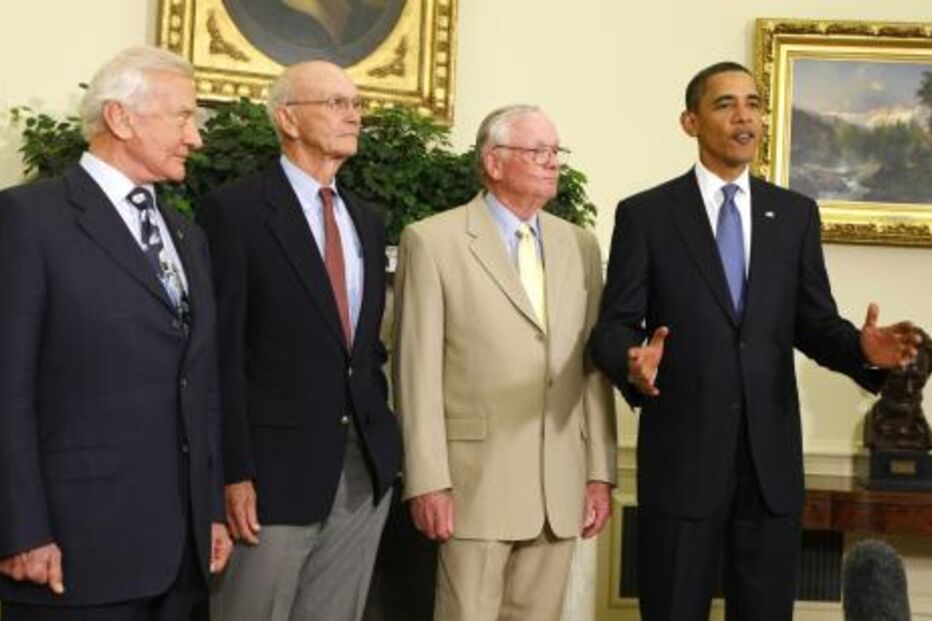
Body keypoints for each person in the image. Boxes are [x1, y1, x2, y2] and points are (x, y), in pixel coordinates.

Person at [588, 61, 920, 620]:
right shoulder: (646, 215)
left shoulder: (793, 215)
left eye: (754, 104)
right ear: (690, 122)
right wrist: (632, 362)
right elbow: (613, 326)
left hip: (770, 467)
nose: (744, 116)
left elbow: (813, 324)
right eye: (725, 104)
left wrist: (863, 352)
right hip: (683, 461)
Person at [0, 46, 231, 620]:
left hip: (180, 557)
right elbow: (7, 388)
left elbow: (200, 385)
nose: (195, 138)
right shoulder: (28, 220)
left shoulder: (186, 234)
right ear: (120, 118)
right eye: (183, 117)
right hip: (74, 553)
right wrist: (18, 527)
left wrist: (211, 507)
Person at [393, 105, 617, 621]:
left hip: (560, 486)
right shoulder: (433, 240)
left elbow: (591, 369)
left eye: (555, 152)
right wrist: (428, 480)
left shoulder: (579, 245)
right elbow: (416, 372)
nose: (552, 162)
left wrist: (600, 473)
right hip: (474, 484)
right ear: (493, 162)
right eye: (537, 151)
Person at [200, 60, 401, 621]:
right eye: (336, 103)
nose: (354, 115)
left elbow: (364, 349)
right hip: (270, 478)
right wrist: (232, 473)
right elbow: (223, 355)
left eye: (357, 104)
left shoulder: (367, 219)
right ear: (287, 119)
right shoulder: (235, 212)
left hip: (363, 474)